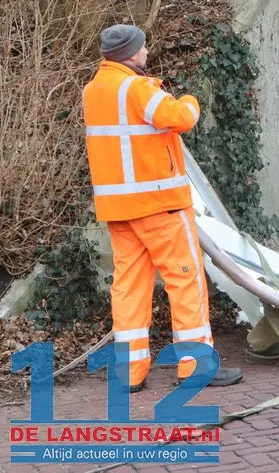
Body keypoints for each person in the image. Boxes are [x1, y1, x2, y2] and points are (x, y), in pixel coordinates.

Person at [82, 23, 243, 393]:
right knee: (185, 281)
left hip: (119, 211)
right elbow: (180, 118)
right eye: (142, 47)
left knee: (129, 289)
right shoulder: (138, 87)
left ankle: (129, 373)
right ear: (130, 53)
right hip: (160, 207)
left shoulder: (94, 90)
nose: (146, 51)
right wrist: (190, 101)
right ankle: (196, 368)